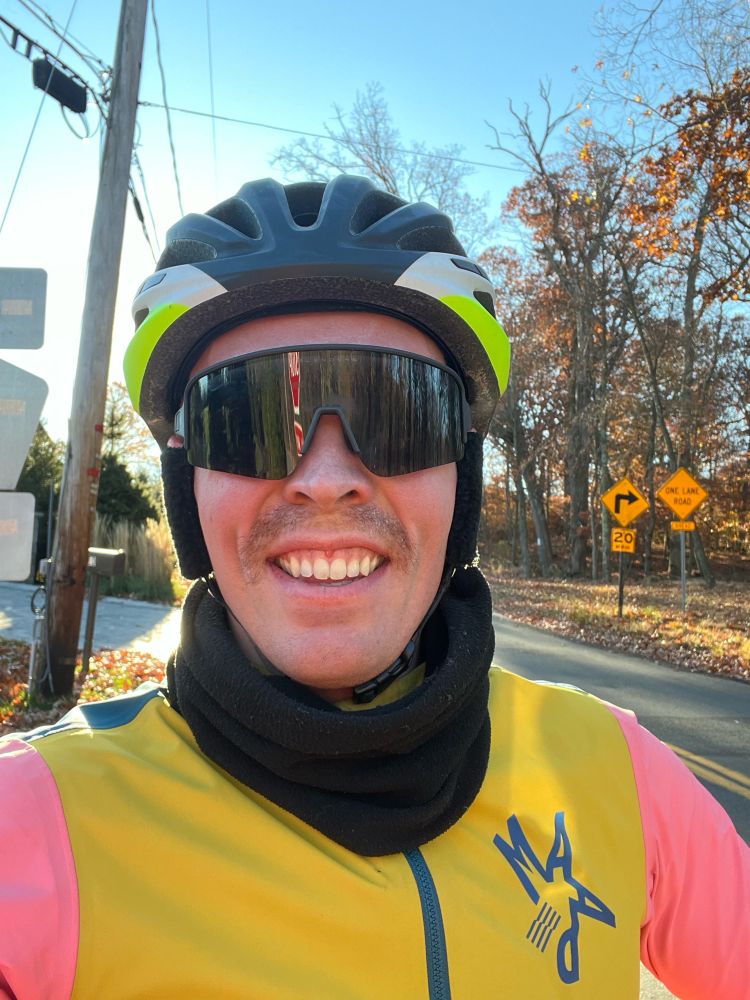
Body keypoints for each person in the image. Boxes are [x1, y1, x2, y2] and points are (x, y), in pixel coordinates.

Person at [0, 175, 747, 1000]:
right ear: (186, 487)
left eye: (397, 413)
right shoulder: (36, 822)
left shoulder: (616, 771)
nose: (326, 481)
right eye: (247, 418)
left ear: (463, 480)